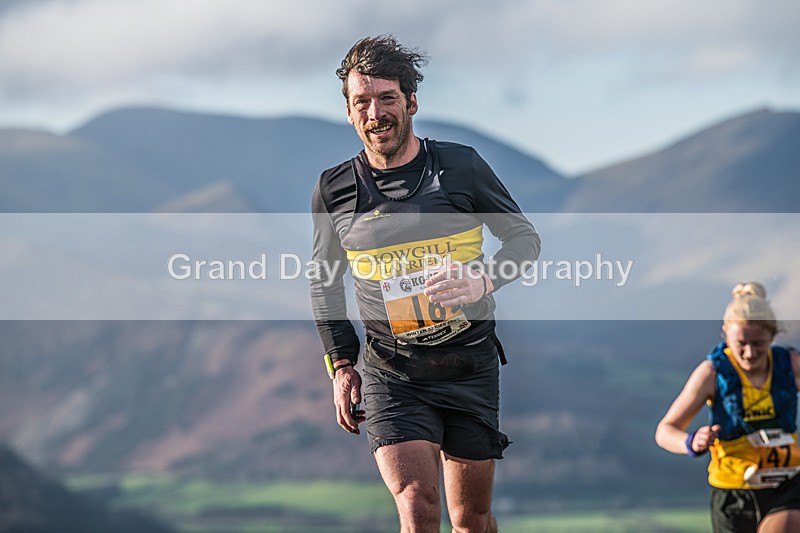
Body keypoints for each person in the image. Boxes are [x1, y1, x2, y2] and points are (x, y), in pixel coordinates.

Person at [310, 35, 540, 532]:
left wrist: (483, 280)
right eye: (362, 102)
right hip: (392, 372)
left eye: (387, 98)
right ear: (348, 112)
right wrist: (341, 365)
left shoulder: (461, 167)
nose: (375, 113)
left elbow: (524, 240)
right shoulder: (334, 189)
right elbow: (324, 281)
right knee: (417, 507)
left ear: (411, 103)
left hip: (468, 365)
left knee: (470, 520)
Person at [655, 282, 800, 532]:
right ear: (725, 333)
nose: (749, 353)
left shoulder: (789, 365)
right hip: (733, 494)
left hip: (786, 485)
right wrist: (691, 441)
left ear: (772, 335)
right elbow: (665, 431)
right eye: (741, 343)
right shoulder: (713, 373)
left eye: (758, 343)